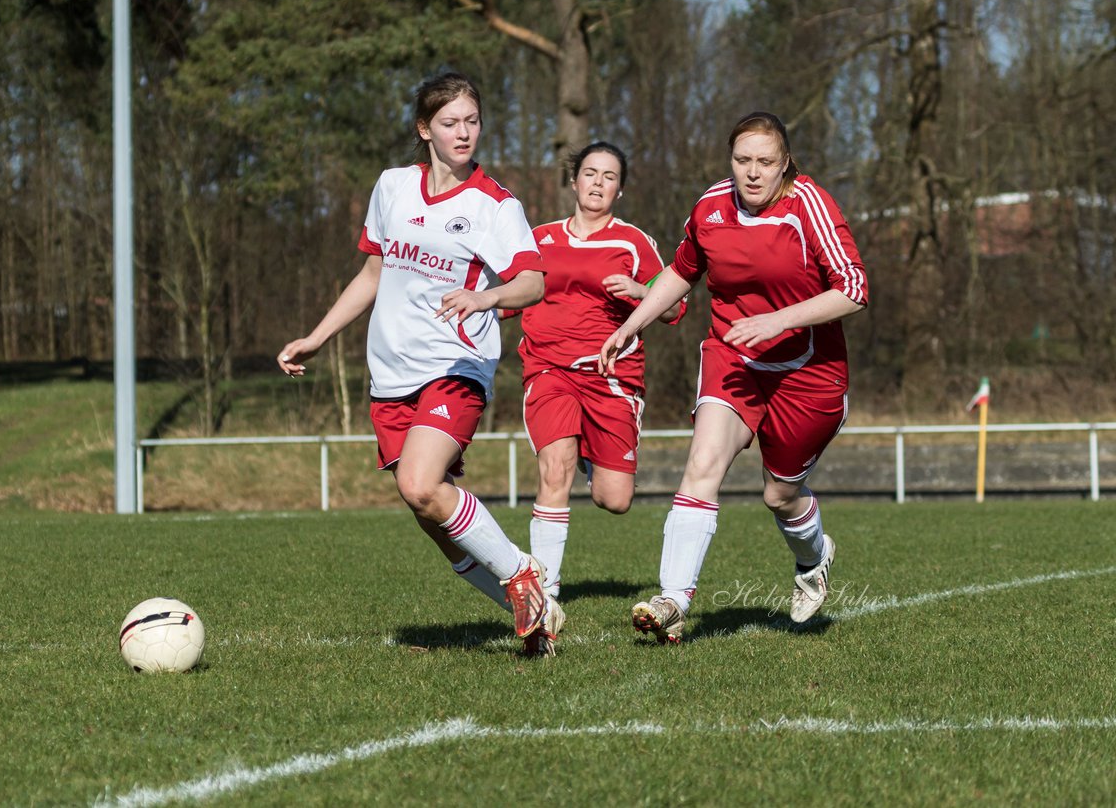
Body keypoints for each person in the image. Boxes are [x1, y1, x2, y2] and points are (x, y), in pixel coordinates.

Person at [277, 72, 567, 656]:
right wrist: (318, 336)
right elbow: (373, 273)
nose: (464, 133)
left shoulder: (495, 205)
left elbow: (532, 283)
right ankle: (538, 619)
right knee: (431, 516)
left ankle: (523, 575)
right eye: (450, 122)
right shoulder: (391, 187)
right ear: (424, 129)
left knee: (419, 482)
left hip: (456, 364)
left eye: (473, 121)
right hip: (391, 372)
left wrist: (485, 297)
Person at [599, 111, 869, 644]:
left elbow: (855, 288)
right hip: (734, 359)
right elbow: (682, 271)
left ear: (785, 164)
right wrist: (633, 324)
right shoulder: (711, 205)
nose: (752, 173)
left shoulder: (808, 205)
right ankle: (673, 600)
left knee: (779, 496)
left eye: (765, 162)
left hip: (807, 373)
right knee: (702, 464)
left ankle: (814, 559)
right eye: (742, 160)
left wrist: (777, 320)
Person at [509, 142, 684, 607]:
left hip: (612, 376)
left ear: (620, 190)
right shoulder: (539, 237)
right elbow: (509, 292)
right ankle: (544, 595)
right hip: (548, 368)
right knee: (554, 468)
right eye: (590, 173)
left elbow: (676, 306)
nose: (598, 183)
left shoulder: (633, 241)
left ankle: (591, 453)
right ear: (573, 181)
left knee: (615, 498)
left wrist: (637, 289)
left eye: (609, 176)